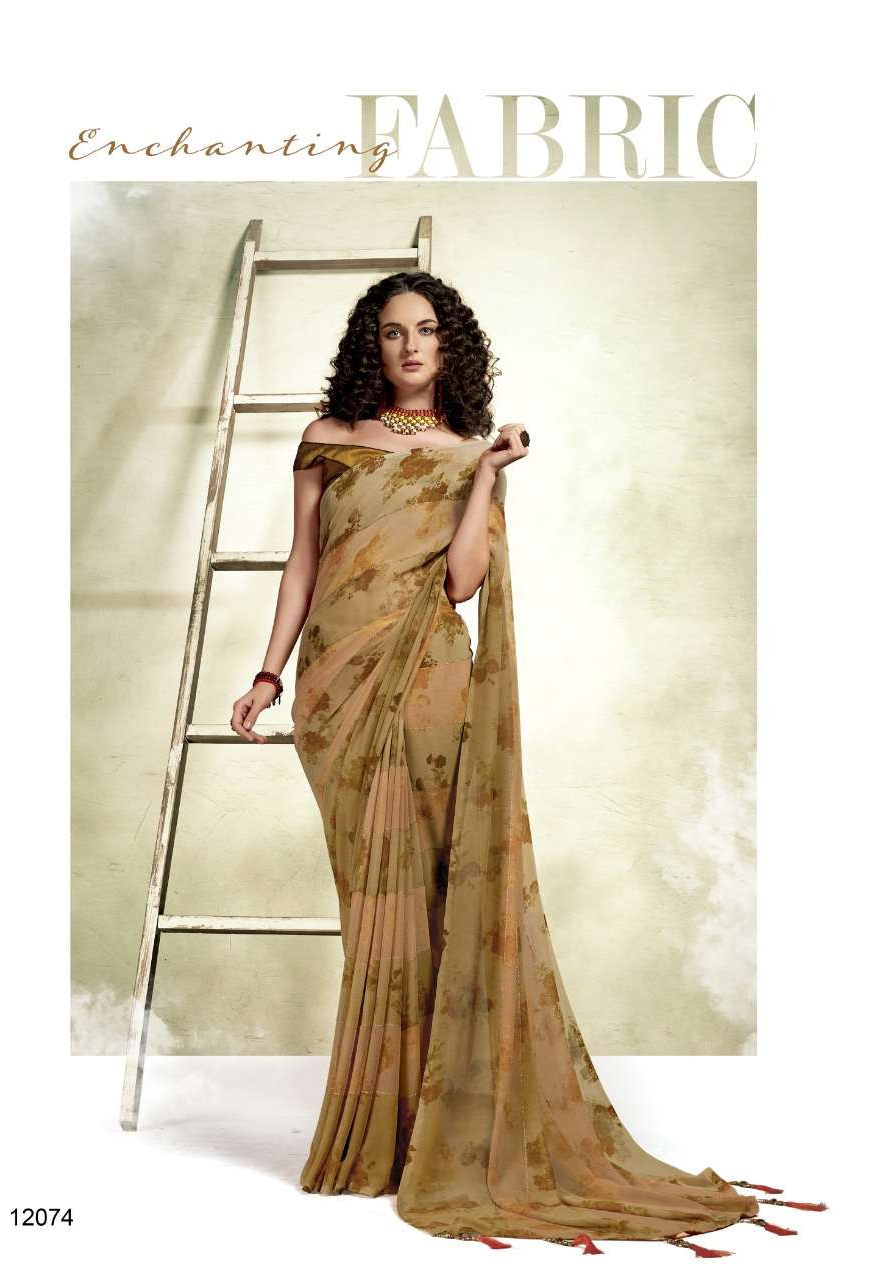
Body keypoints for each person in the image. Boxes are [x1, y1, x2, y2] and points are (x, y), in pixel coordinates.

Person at [229, 271, 826, 1254]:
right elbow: (303, 562)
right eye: (391, 332)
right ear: (371, 346)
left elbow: (463, 582)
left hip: (428, 677)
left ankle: (421, 1135)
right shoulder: (327, 438)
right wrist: (267, 673)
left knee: (432, 895)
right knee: (372, 903)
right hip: (336, 690)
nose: (409, 346)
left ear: (449, 345)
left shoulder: (471, 450)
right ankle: (382, 1128)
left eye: (426, 330)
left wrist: (485, 478)